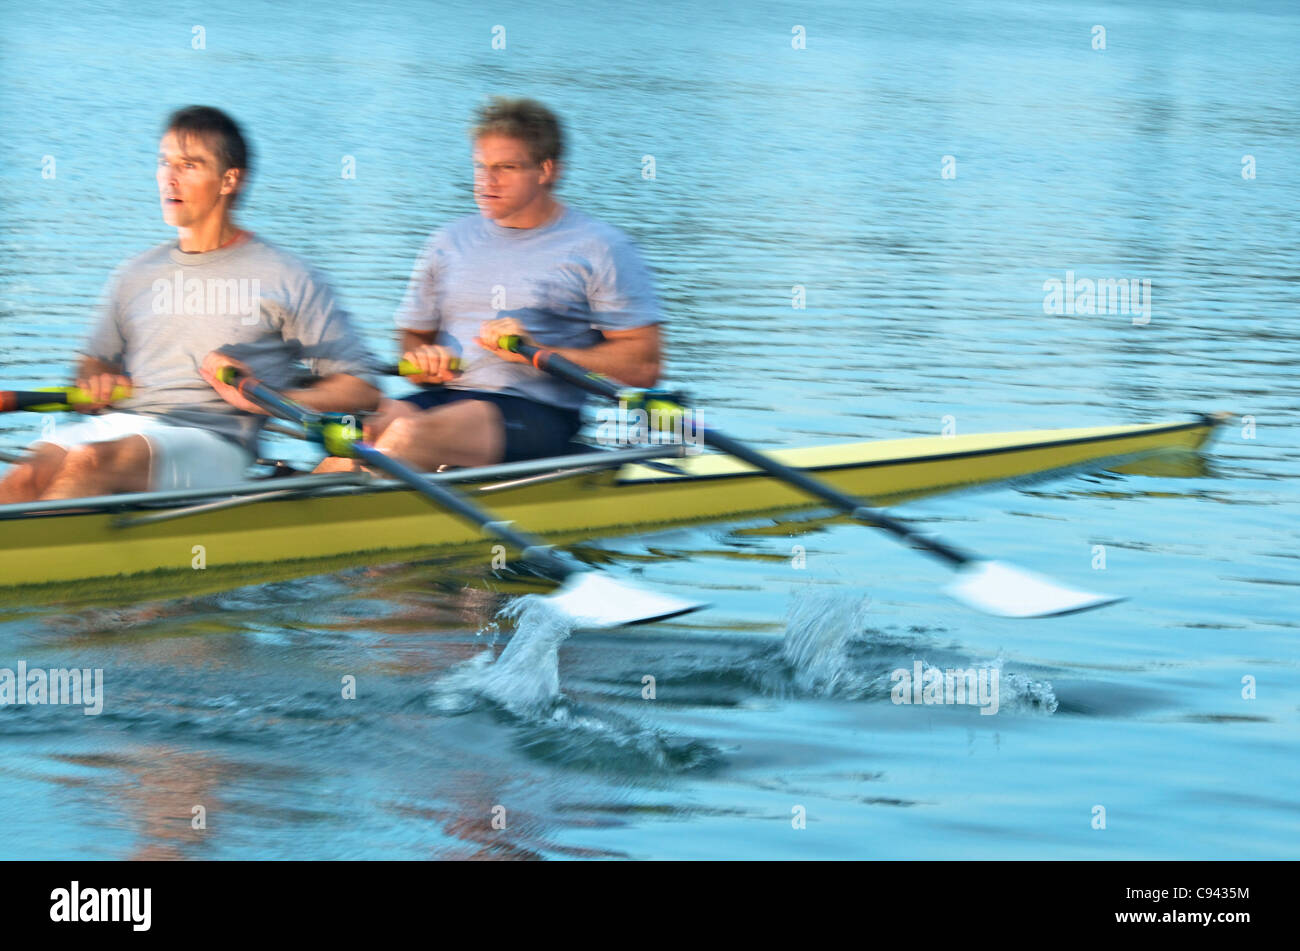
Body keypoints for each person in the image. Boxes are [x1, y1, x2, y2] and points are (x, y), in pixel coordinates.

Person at [0, 106, 380, 504]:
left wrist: (270, 398)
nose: (170, 177)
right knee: (27, 474)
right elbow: (94, 362)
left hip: (216, 442)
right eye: (164, 162)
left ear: (229, 180)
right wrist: (95, 378)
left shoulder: (290, 277)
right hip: (123, 424)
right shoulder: (135, 272)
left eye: (189, 165)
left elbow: (362, 387)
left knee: (92, 462)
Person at [316, 97, 662, 474]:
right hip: (444, 400)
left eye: (506, 168)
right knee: (353, 437)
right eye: (481, 166)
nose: (486, 181)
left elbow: (644, 366)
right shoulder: (446, 242)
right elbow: (413, 339)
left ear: (546, 170)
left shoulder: (601, 248)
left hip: (536, 414)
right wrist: (423, 363)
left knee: (406, 436)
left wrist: (538, 351)